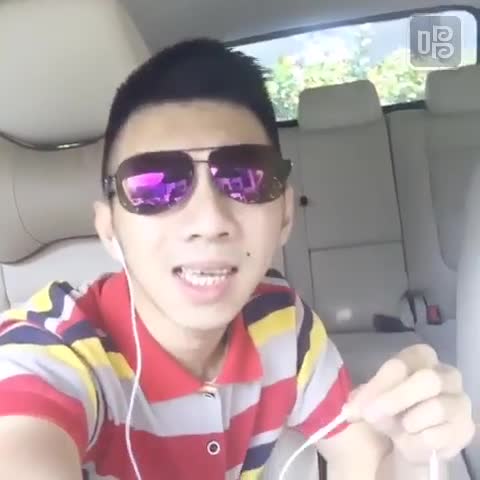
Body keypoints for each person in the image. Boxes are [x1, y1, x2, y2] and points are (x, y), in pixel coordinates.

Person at [0, 38, 473, 480]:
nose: (209, 221)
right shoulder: (48, 351)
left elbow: (368, 465)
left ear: (284, 215)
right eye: (154, 186)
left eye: (246, 179)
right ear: (109, 230)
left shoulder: (283, 324)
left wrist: (414, 453)